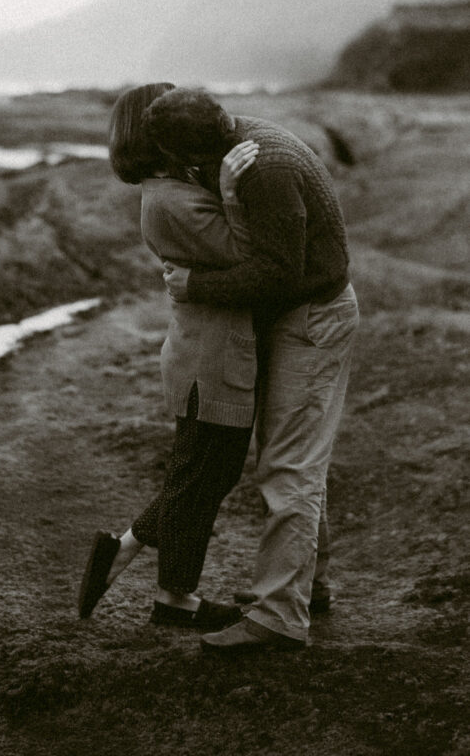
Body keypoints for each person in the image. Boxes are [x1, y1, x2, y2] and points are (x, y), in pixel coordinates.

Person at [143, 87, 359, 651]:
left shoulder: (264, 166)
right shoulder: (243, 141)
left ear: (193, 152)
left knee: (290, 468)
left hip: (311, 318)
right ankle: (307, 586)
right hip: (302, 314)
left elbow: (280, 272)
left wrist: (195, 286)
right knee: (293, 457)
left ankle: (278, 619)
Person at [77, 83, 261, 631]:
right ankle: (172, 597)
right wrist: (230, 192)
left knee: (202, 477)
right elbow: (247, 256)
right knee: (198, 480)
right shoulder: (171, 200)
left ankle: (139, 563)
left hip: (211, 354)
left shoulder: (171, 191)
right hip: (211, 361)